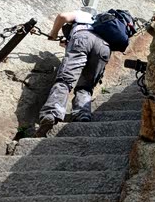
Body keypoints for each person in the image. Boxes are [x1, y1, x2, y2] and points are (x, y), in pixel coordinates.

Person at [36, 8, 109, 136]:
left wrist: (53, 33)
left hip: (82, 38)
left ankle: (52, 112)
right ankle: (82, 114)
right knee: (86, 85)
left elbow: (62, 16)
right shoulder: (99, 22)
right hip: (104, 46)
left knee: (65, 79)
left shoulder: (82, 14)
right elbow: (90, 45)